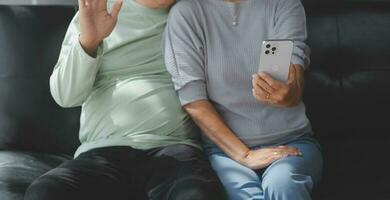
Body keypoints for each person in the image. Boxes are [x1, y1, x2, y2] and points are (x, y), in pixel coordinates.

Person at [23, 0, 226, 200]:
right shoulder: (99, 10)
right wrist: (89, 41)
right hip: (103, 151)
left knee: (198, 195)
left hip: (175, 149)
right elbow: (65, 96)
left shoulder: (195, 14)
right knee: (44, 193)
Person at [164, 0, 323, 199]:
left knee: (283, 184)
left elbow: (294, 78)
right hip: (226, 153)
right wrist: (246, 155)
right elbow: (194, 101)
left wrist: (288, 93)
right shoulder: (187, 14)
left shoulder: (282, 4)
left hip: (291, 141)